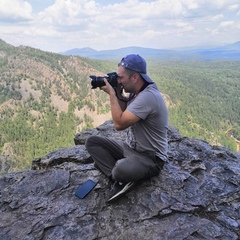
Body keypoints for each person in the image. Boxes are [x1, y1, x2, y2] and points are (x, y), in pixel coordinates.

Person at [85, 54, 168, 203]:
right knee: (92, 142)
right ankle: (120, 175)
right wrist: (117, 92)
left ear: (135, 77)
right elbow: (124, 111)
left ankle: (121, 176)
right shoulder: (137, 92)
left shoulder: (148, 97)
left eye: (121, 77)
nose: (119, 81)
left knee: (119, 169)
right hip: (130, 149)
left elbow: (119, 124)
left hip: (150, 158)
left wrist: (111, 94)